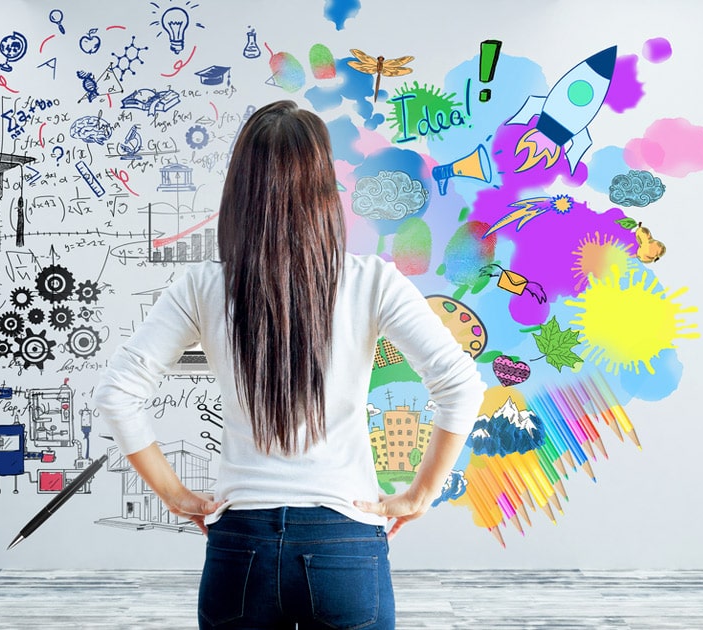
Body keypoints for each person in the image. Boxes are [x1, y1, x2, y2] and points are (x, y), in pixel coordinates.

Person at [94, 100, 486, 629]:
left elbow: (117, 393)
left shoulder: (205, 286)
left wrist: (177, 496)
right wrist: (420, 494)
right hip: (345, 544)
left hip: (241, 549)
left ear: (240, 188)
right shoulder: (373, 280)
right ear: (324, 188)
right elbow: (460, 385)